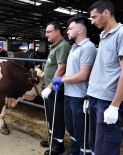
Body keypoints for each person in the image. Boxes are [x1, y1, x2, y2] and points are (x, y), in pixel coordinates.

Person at [87, 0, 123, 154]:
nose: (92, 21)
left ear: (106, 13)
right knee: (94, 145)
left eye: (94, 17)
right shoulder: (103, 36)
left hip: (107, 101)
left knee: (106, 148)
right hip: (95, 97)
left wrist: (114, 106)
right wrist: (90, 96)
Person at [51, 17, 97, 155]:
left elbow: (83, 75)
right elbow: (72, 72)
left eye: (70, 28)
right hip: (69, 95)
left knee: (81, 131)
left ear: (80, 29)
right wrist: (60, 79)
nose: (67, 32)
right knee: (71, 129)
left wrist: (62, 79)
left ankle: (84, 153)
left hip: (79, 97)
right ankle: (74, 152)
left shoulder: (88, 48)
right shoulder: (73, 48)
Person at [41, 21, 71, 155]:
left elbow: (61, 68)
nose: (46, 34)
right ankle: (52, 140)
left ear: (57, 31)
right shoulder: (55, 46)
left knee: (57, 116)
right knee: (51, 115)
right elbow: (52, 64)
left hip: (57, 89)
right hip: (51, 88)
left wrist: (50, 87)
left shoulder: (63, 46)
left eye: (48, 31)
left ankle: (58, 145)